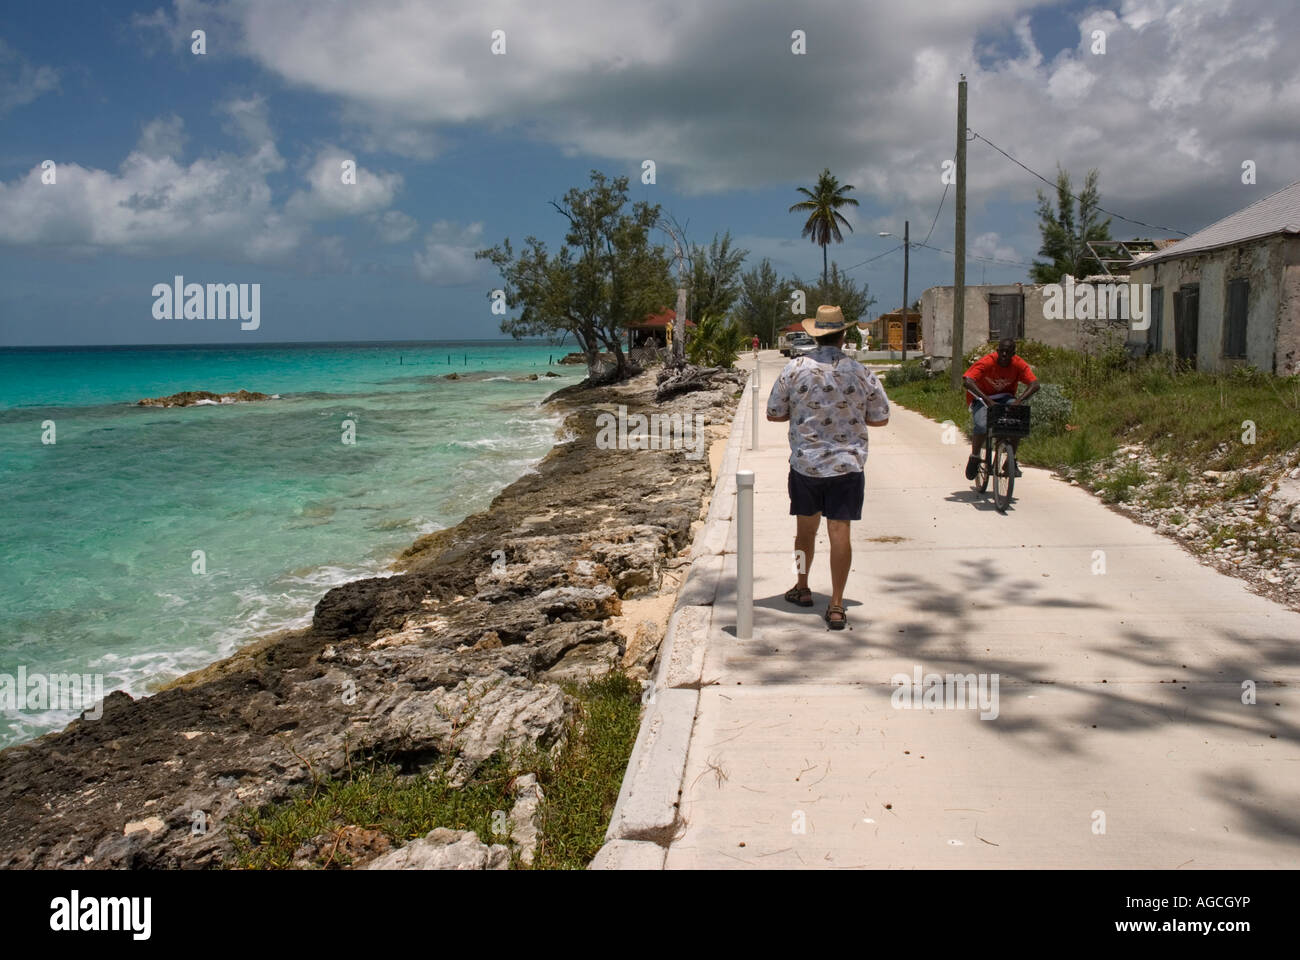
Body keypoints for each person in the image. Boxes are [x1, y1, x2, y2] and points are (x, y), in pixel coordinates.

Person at [767, 305, 890, 630]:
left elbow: (774, 413)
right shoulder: (861, 372)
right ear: (844, 334)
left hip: (806, 466)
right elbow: (881, 418)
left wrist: (802, 412)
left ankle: (803, 587)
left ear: (813, 334)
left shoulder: (794, 369)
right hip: (847, 467)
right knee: (840, 533)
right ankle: (836, 605)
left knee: (804, 533)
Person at [962, 338, 1040, 480]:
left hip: (1005, 397)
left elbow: (1034, 384)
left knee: (1017, 423)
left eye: (1008, 352)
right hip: (982, 397)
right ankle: (974, 456)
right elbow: (968, 381)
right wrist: (988, 400)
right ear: (997, 351)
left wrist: (1018, 401)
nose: (1004, 355)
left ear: (1013, 353)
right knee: (981, 425)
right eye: (1002, 351)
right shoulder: (987, 362)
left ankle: (1011, 461)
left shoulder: (1018, 364)